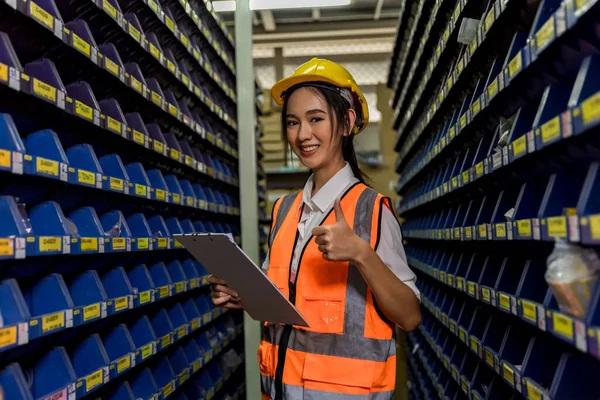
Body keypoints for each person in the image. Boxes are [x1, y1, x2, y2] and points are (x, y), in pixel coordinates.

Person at [208, 58, 421, 399]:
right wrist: (242, 295)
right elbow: (284, 303)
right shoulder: (284, 210)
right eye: (293, 122)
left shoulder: (371, 210)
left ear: (347, 122)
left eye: (316, 119)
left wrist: (361, 254)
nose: (302, 135)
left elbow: (409, 316)